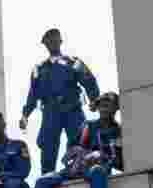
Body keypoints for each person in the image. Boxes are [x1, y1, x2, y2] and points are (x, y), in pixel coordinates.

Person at [19, 28, 100, 175]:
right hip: (50, 112)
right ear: (45, 44)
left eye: (55, 39)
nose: (52, 43)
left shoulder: (72, 62)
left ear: (60, 41)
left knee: (79, 141)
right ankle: (47, 176)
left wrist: (94, 99)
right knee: (48, 145)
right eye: (49, 41)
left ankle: (78, 171)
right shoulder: (39, 69)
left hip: (72, 109)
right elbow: (33, 95)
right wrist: (25, 115)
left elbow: (88, 80)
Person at [80, 91, 123, 188]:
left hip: (101, 170)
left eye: (108, 104)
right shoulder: (89, 126)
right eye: (101, 105)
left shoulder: (119, 131)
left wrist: (106, 157)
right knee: (44, 181)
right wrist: (90, 155)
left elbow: (122, 161)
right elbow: (76, 149)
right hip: (83, 167)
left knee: (98, 171)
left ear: (116, 108)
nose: (104, 108)